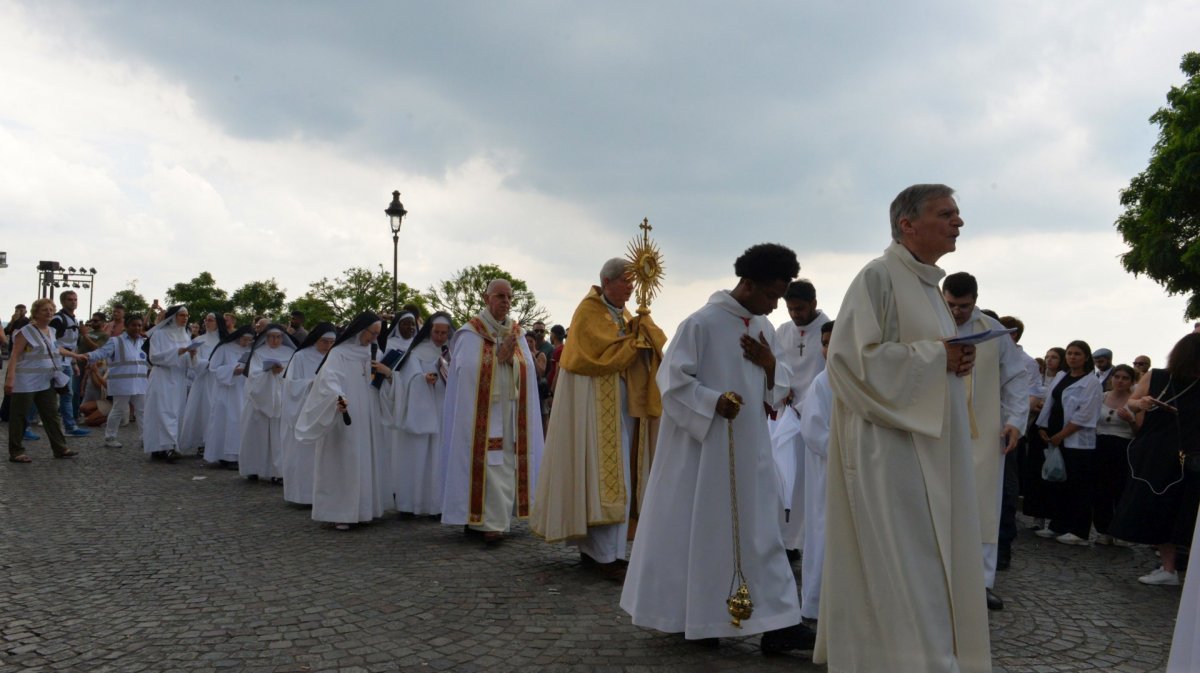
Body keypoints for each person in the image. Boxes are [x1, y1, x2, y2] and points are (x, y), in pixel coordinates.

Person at [816, 184, 989, 672]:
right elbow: (849, 363)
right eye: (946, 213)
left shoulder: (927, 286)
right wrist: (939, 357)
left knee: (930, 564)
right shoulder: (878, 277)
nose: (958, 222)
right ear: (907, 224)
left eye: (957, 213)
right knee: (906, 563)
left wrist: (957, 357)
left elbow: (931, 354)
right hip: (890, 451)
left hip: (932, 449)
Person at [621, 243, 816, 655]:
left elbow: (779, 383)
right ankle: (700, 618)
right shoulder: (701, 323)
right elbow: (672, 382)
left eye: (780, 297)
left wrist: (767, 364)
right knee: (704, 533)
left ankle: (780, 623)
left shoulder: (761, 326)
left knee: (762, 532)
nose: (775, 305)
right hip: (705, 454)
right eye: (770, 295)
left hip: (752, 451)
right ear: (747, 284)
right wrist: (712, 401)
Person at [531, 258, 666, 580]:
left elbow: (637, 349)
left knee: (618, 476)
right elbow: (599, 353)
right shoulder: (589, 311)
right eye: (626, 282)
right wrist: (636, 341)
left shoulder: (627, 315)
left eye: (633, 282)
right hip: (595, 407)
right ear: (608, 282)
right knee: (603, 476)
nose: (632, 288)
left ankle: (606, 553)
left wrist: (643, 334)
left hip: (624, 405)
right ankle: (605, 556)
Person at [942, 272, 1028, 612]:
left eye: (964, 306)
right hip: (937, 426)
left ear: (975, 300)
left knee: (983, 505)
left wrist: (1015, 422)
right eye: (951, 305)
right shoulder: (927, 320)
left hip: (984, 431)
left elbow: (1015, 378)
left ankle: (981, 583)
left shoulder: (993, 331)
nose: (958, 312)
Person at [440, 279, 545, 543]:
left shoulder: (517, 333)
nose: (506, 302)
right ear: (487, 298)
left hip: (510, 412)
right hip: (479, 415)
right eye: (500, 296)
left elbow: (528, 370)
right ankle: (484, 522)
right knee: (484, 461)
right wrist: (496, 359)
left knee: (506, 462)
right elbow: (465, 371)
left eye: (509, 297)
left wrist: (514, 360)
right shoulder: (470, 333)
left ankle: (495, 520)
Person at [1111, 333, 1200, 586]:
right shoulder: (1158, 376)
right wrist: (1143, 402)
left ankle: (1172, 568)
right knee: (1167, 512)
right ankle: (1169, 567)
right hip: (1165, 455)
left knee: (1179, 514)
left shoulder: (1162, 376)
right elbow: (1132, 402)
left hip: (1174, 455)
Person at [296, 312, 394, 530]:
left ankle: (364, 509)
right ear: (361, 330)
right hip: (345, 413)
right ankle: (340, 512)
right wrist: (337, 397)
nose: (374, 338)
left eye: (378, 334)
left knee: (364, 459)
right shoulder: (338, 353)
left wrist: (387, 375)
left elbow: (380, 382)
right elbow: (328, 379)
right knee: (344, 461)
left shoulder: (372, 351)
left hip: (368, 412)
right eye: (373, 333)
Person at [772, 279, 830, 561]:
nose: (795, 314)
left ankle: (808, 540)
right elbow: (776, 370)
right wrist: (781, 392)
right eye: (790, 309)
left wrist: (806, 406)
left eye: (800, 308)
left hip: (816, 418)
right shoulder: (782, 332)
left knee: (810, 484)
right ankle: (787, 541)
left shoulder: (828, 331)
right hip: (787, 416)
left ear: (814, 304)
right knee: (785, 479)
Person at [379, 313, 456, 516]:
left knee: (439, 457)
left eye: (444, 333)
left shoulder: (453, 353)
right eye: (436, 332)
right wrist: (423, 378)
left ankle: (437, 506)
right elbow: (407, 379)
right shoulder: (416, 353)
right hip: (420, 411)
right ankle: (411, 504)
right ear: (429, 331)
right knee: (417, 457)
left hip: (443, 411)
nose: (440, 337)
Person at [1034, 340, 1103, 546]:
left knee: (1078, 486)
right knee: (1059, 484)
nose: (1072, 357)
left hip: (1077, 441)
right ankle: (1058, 524)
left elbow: (1085, 415)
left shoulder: (1091, 383)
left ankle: (1079, 530)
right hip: (1055, 436)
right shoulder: (1061, 377)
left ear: (1086, 358)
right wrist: (1042, 427)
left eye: (1077, 354)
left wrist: (1062, 434)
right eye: (1070, 353)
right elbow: (1050, 403)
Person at [5, 298, 77, 462]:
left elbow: (55, 349)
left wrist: (75, 355)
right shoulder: (25, 331)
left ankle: (60, 448)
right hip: (25, 381)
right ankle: (16, 451)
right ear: (35, 313)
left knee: (51, 414)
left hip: (45, 380)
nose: (49, 312)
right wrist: (10, 378)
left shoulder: (51, 331)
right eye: (45, 310)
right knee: (20, 416)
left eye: (51, 310)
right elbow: (15, 354)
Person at [798, 319, 834, 624]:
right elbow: (812, 431)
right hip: (829, 472)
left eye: (833, 342)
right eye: (824, 343)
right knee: (824, 532)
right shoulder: (822, 383)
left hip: (855, 472)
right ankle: (816, 602)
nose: (828, 349)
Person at [279, 322, 337, 506]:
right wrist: (311, 384)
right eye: (324, 342)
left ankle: (321, 495)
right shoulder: (300, 357)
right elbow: (290, 385)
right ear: (315, 339)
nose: (327, 346)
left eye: (331, 343)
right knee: (302, 456)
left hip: (324, 412)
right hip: (302, 411)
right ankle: (300, 496)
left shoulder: (334, 358)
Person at [76, 316, 149, 448]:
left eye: (139, 325)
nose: (137, 328)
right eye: (134, 325)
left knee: (142, 411)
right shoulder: (116, 341)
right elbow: (101, 353)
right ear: (126, 326)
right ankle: (110, 437)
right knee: (118, 409)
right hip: (122, 383)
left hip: (140, 383)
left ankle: (145, 438)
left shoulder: (143, 342)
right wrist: (87, 356)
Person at [238, 324, 297, 482]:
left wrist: (279, 372)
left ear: (282, 338)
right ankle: (253, 468)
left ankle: (277, 472)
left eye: (278, 337)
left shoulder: (291, 353)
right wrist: (269, 373)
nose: (274, 340)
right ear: (266, 337)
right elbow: (253, 374)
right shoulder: (258, 352)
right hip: (259, 400)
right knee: (255, 436)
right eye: (271, 337)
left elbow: (293, 373)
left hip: (281, 398)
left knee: (278, 438)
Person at [1093, 364, 1138, 546]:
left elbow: (1139, 430)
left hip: (1123, 446)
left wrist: (1131, 420)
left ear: (1131, 381)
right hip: (1101, 444)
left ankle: (1121, 531)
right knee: (1101, 490)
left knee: (1121, 490)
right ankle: (1104, 530)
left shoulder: (1134, 401)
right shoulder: (1102, 397)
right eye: (1117, 376)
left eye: (1125, 378)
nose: (1120, 381)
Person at [142, 305, 193, 462]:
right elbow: (154, 357)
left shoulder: (186, 335)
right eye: (181, 315)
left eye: (186, 315)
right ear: (173, 317)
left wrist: (192, 355)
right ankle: (166, 447)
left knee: (176, 412)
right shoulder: (159, 334)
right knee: (163, 412)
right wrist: (178, 352)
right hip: (162, 377)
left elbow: (187, 360)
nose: (185, 318)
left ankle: (167, 446)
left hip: (178, 378)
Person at [1024, 346, 1067, 530]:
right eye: (1047, 356)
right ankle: (1036, 515)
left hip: (1054, 427)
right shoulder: (1037, 378)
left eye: (1054, 357)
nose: (1049, 360)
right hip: (1035, 426)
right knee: (1034, 472)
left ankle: (1053, 516)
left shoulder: (1064, 379)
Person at [203, 327, 254, 468]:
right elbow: (213, 368)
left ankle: (238, 455)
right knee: (227, 421)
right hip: (226, 391)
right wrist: (232, 370)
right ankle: (225, 456)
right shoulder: (224, 348)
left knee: (240, 421)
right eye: (244, 339)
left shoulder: (250, 350)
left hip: (243, 390)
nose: (246, 343)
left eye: (250, 340)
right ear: (238, 337)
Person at [178, 313, 229, 454]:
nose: (207, 322)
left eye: (211, 320)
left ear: (218, 323)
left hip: (218, 380)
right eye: (206, 320)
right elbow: (193, 364)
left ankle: (216, 441)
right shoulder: (199, 340)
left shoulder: (225, 341)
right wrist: (193, 356)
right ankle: (202, 442)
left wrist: (215, 366)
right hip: (203, 380)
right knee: (202, 411)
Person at [49, 290, 93, 436]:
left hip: (66, 362)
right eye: (70, 299)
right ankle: (69, 427)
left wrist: (73, 363)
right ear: (63, 302)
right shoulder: (59, 319)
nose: (73, 302)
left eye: (75, 299)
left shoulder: (72, 319)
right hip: (58, 362)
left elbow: (71, 344)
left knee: (66, 395)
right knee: (47, 395)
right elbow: (52, 342)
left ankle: (70, 427)